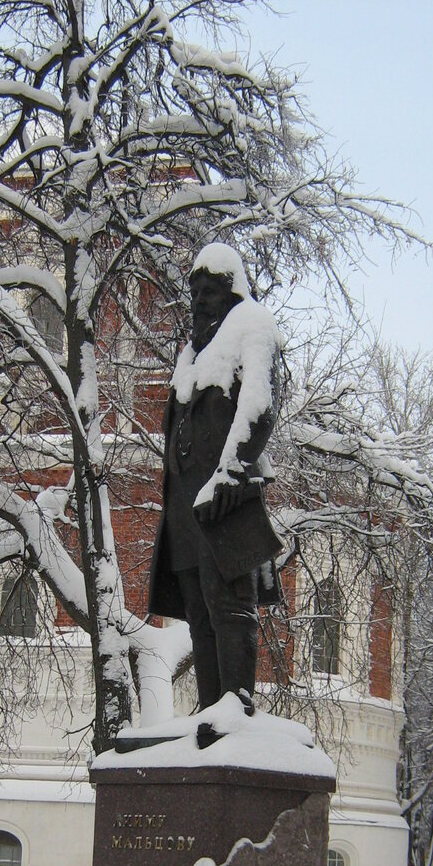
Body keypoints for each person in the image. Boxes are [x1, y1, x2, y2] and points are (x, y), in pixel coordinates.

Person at [148, 243, 287, 711]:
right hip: (185, 507)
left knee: (229, 608)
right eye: (195, 291)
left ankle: (236, 709)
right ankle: (210, 712)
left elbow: (259, 406)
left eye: (210, 290)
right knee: (200, 615)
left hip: (224, 499)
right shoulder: (191, 352)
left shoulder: (253, 328)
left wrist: (232, 471)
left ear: (232, 291)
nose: (200, 300)